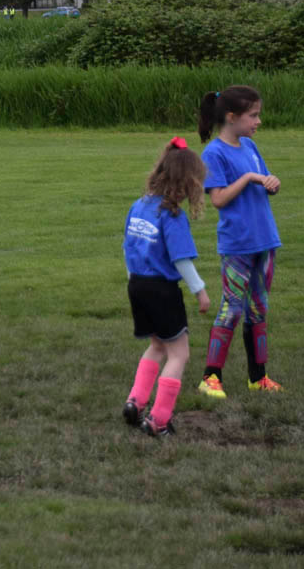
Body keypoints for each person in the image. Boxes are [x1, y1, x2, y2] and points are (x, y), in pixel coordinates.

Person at [196, 86, 282, 398]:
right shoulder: (214, 153)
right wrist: (248, 179)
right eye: (254, 115)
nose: (258, 121)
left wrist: (272, 183)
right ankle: (210, 377)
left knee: (259, 309)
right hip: (237, 246)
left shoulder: (250, 146)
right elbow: (218, 199)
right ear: (231, 117)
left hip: (265, 241)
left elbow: (265, 179)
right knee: (232, 307)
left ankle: (258, 376)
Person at [122, 137, 210, 437]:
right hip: (161, 290)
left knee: (157, 345)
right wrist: (200, 290)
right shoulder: (172, 215)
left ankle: (135, 402)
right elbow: (182, 259)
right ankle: (159, 420)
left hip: (137, 285)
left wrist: (132, 278)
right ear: (187, 183)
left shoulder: (139, 205)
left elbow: (128, 247)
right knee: (179, 354)